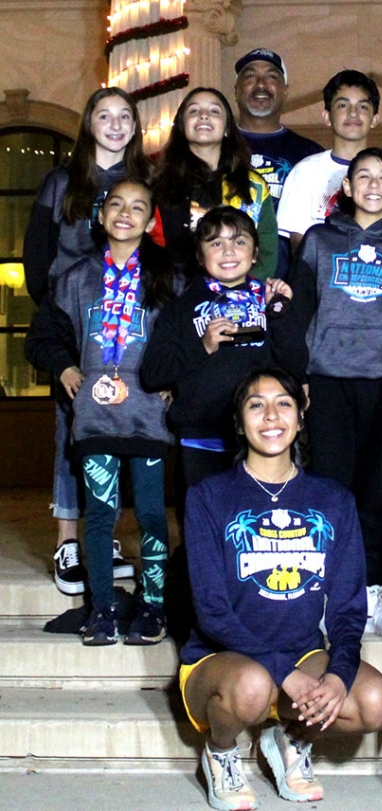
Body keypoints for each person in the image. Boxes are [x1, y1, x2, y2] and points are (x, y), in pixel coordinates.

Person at [179, 367, 382, 811]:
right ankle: (221, 752)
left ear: (300, 416)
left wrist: (337, 672)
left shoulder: (333, 500)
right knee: (255, 686)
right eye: (256, 405)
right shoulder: (208, 496)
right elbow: (213, 613)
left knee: (375, 703)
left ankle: (289, 740)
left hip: (301, 652)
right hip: (220, 660)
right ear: (240, 422)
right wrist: (284, 673)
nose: (271, 415)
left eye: (284, 403)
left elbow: (348, 609)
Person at [26, 179, 176, 645]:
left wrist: (175, 377)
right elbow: (42, 336)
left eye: (138, 207)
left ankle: (152, 606)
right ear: (100, 214)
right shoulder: (76, 278)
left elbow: (186, 336)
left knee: (152, 515)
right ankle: (104, 608)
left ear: (152, 220)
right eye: (116, 205)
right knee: (99, 515)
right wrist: (65, 367)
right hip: (94, 417)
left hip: (148, 415)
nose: (126, 213)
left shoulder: (168, 276)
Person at [290, 147, 382, 636]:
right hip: (327, 381)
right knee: (330, 488)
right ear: (344, 188)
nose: (371, 184)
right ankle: (329, 589)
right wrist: (297, 374)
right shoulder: (320, 242)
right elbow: (300, 311)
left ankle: (373, 589)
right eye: (361, 176)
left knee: (377, 494)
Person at [23, 87, 148, 595]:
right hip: (76, 320)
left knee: (118, 425)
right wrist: (59, 312)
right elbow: (36, 257)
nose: (115, 125)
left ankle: (106, 535)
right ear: (89, 123)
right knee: (71, 429)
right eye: (104, 115)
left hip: (127, 324)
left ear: (135, 127)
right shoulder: (62, 181)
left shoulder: (145, 182)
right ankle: (69, 540)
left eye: (124, 117)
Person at [140, 206, 306, 506]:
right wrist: (202, 346)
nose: (228, 251)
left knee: (258, 521)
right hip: (202, 436)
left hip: (264, 437)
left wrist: (280, 315)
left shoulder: (272, 299)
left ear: (255, 254)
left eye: (239, 242)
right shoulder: (181, 307)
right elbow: (153, 373)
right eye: (216, 243)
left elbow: (296, 365)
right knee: (203, 520)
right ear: (200, 256)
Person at [277, 70, 382, 254]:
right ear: (326, 116)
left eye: (362, 107)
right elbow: (300, 249)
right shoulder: (305, 172)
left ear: (375, 119)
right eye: (342, 105)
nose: (353, 114)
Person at [153, 86, 279, 280]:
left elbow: (267, 254)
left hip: (240, 300)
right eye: (194, 111)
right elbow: (152, 250)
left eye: (214, 111)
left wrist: (242, 292)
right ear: (181, 126)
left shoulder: (254, 185)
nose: (204, 116)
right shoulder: (159, 183)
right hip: (177, 298)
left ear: (227, 128)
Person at [233, 47, 324, 277]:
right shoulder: (214, 147)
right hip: (223, 285)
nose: (261, 84)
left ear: (285, 91)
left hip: (288, 286)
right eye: (250, 76)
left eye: (272, 77)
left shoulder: (310, 154)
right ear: (235, 90)